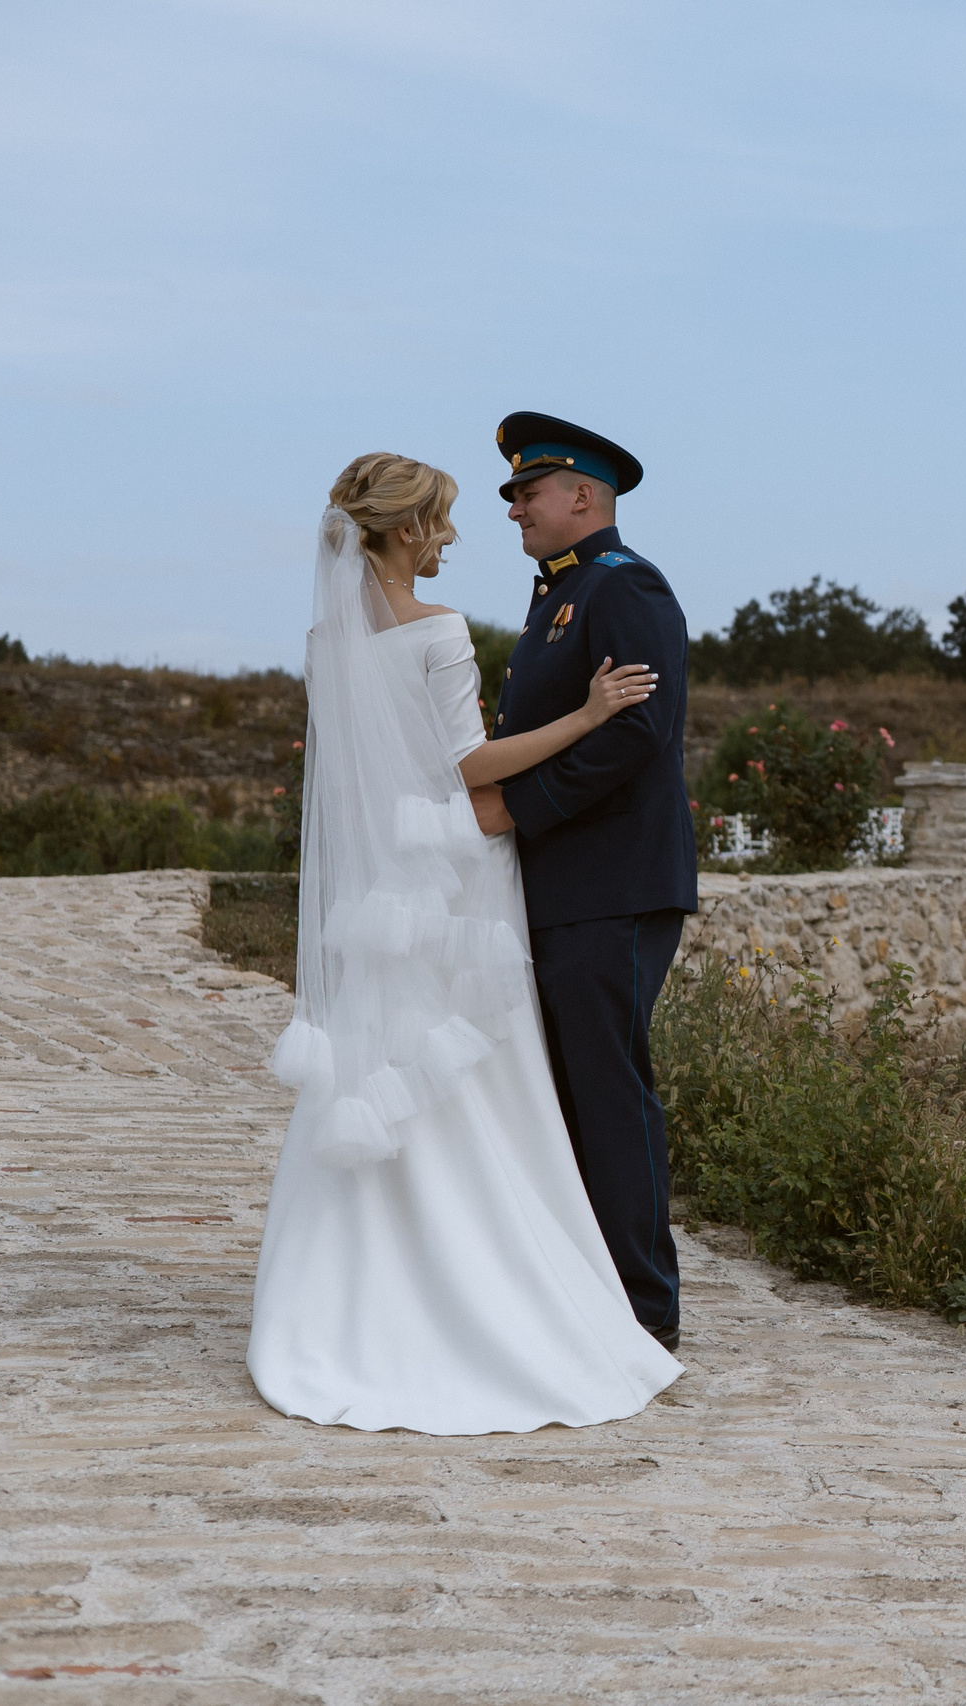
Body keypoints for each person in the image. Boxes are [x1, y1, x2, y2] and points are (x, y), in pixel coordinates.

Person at [247, 452, 680, 1434]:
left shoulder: (327, 638)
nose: (453, 534)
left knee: (385, 1059)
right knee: (486, 1075)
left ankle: (368, 1284)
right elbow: (467, 763)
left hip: (381, 885)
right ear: (406, 530)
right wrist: (588, 713)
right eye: (441, 520)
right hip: (455, 873)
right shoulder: (439, 629)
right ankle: (516, 1282)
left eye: (522, 495)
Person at [488, 413, 698, 1351]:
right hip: (566, 885)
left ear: (583, 495)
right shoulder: (558, 597)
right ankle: (588, 1291)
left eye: (528, 493)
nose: (515, 510)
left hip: (613, 883)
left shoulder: (624, 585)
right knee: (569, 1092)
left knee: (608, 1092)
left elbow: (637, 731)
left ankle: (645, 1311)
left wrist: (519, 809)